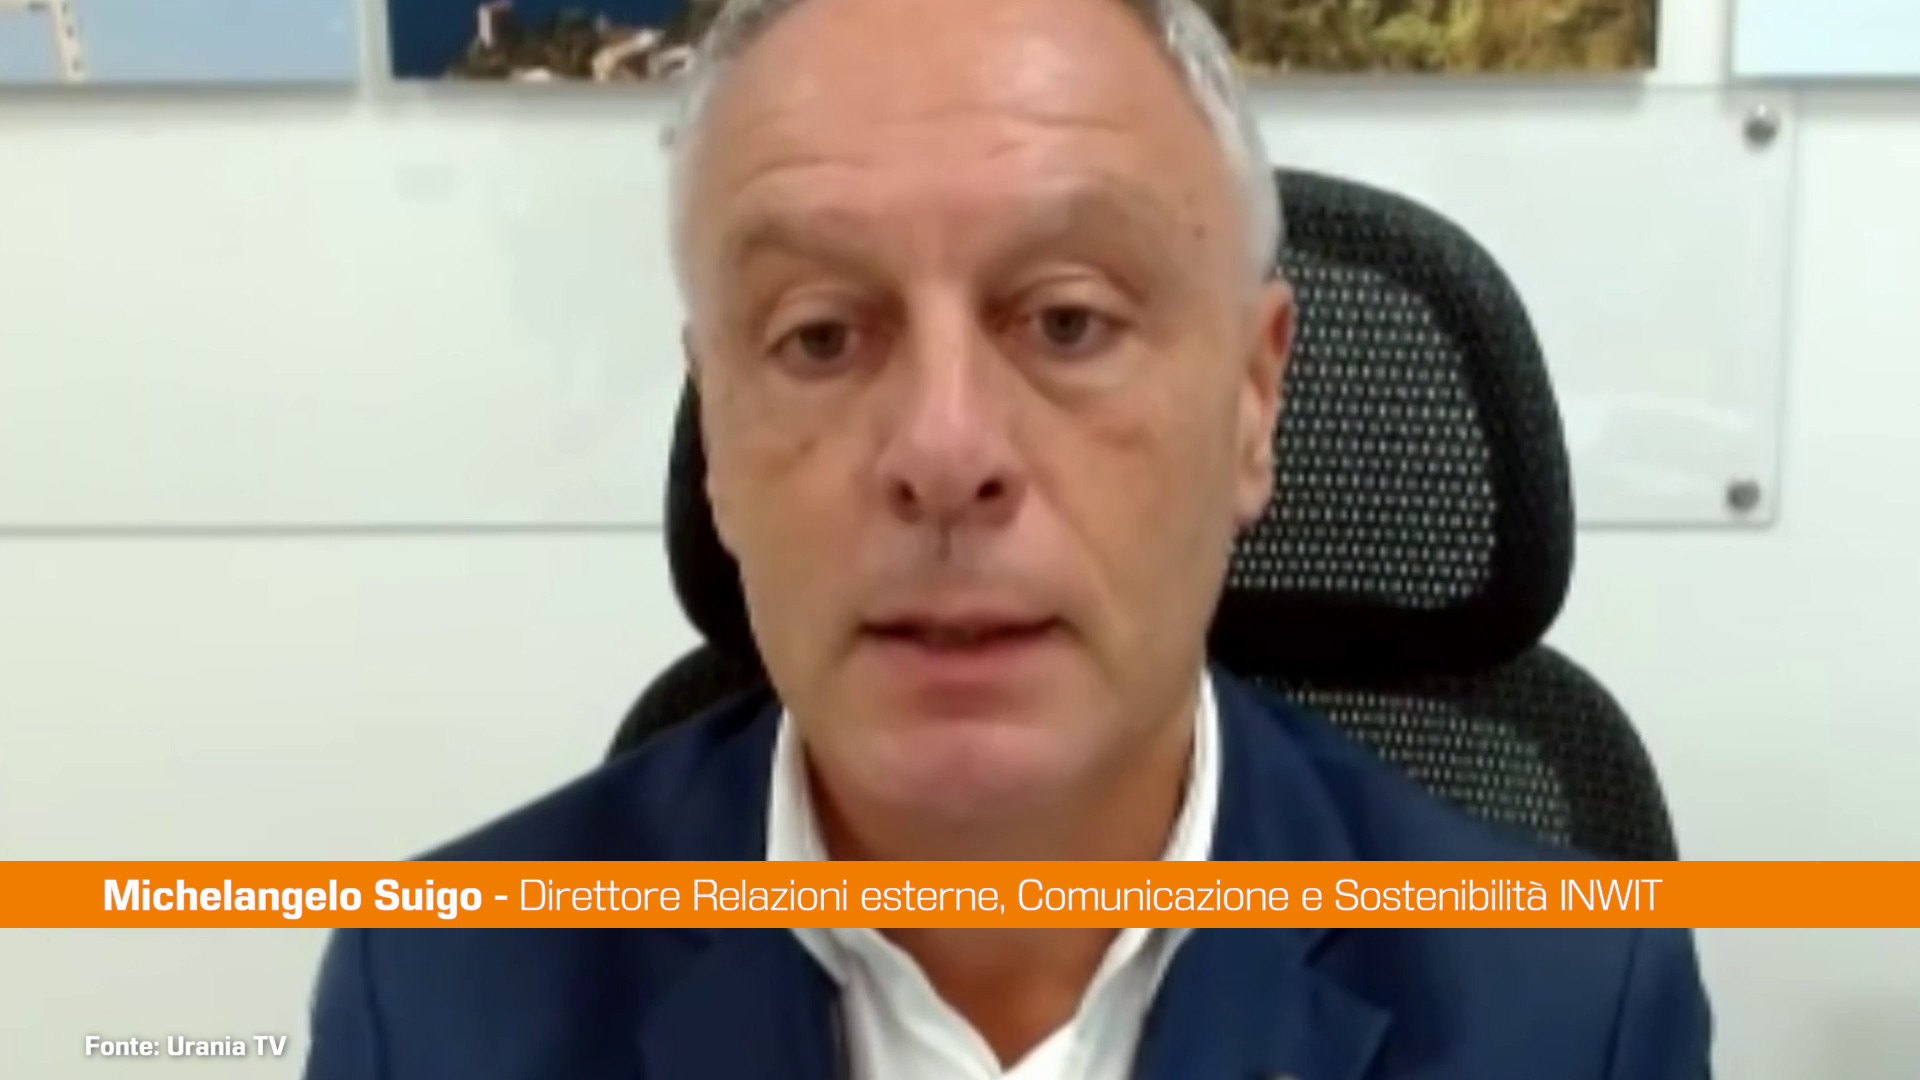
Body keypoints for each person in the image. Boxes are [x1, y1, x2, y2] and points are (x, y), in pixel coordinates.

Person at [302, 0, 1714, 1076]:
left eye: (1068, 321)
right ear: (716, 435)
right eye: (820, 336)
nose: (944, 452)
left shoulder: (1568, 1003)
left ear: (1251, 399)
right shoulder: (436, 1000)